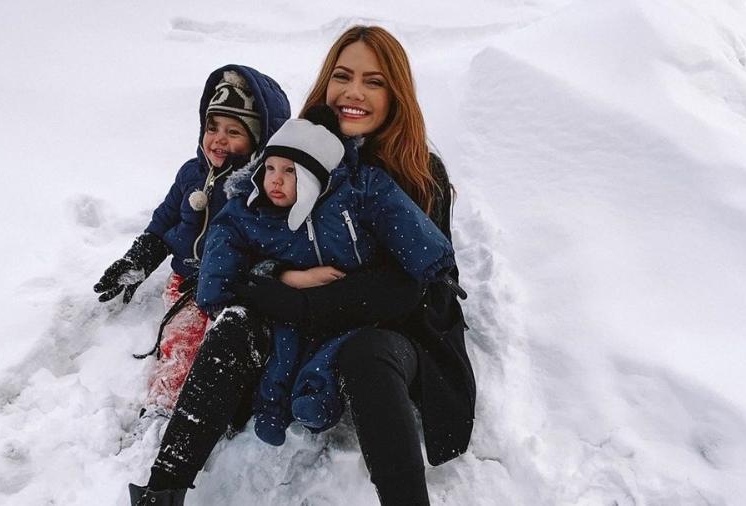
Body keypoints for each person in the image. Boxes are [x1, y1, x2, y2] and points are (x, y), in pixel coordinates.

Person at [128, 26, 475, 506]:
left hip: (390, 329)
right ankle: (161, 490)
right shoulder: (294, 151)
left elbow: (412, 286)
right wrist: (277, 278)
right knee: (234, 324)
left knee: (368, 354)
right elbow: (239, 237)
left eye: (373, 82)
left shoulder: (418, 172)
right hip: (295, 315)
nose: (353, 93)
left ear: (396, 95)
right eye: (343, 76)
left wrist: (300, 302)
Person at [196, 105, 457, 447]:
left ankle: (317, 400)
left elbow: (397, 215)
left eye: (289, 171)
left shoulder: (352, 196)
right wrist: (224, 289)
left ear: (313, 177)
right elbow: (227, 236)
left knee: (333, 352)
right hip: (292, 307)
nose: (275, 179)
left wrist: (433, 262)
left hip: (346, 302)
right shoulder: (263, 212)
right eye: (270, 168)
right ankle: (271, 407)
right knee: (283, 350)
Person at [93, 65, 290, 413]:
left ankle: (222, 406)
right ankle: (162, 406)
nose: (219, 139)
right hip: (185, 281)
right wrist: (138, 259)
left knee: (220, 347)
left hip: (232, 285)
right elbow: (165, 221)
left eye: (234, 131)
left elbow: (272, 241)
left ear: (258, 140)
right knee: (181, 342)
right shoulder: (190, 174)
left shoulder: (258, 190)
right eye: (212, 127)